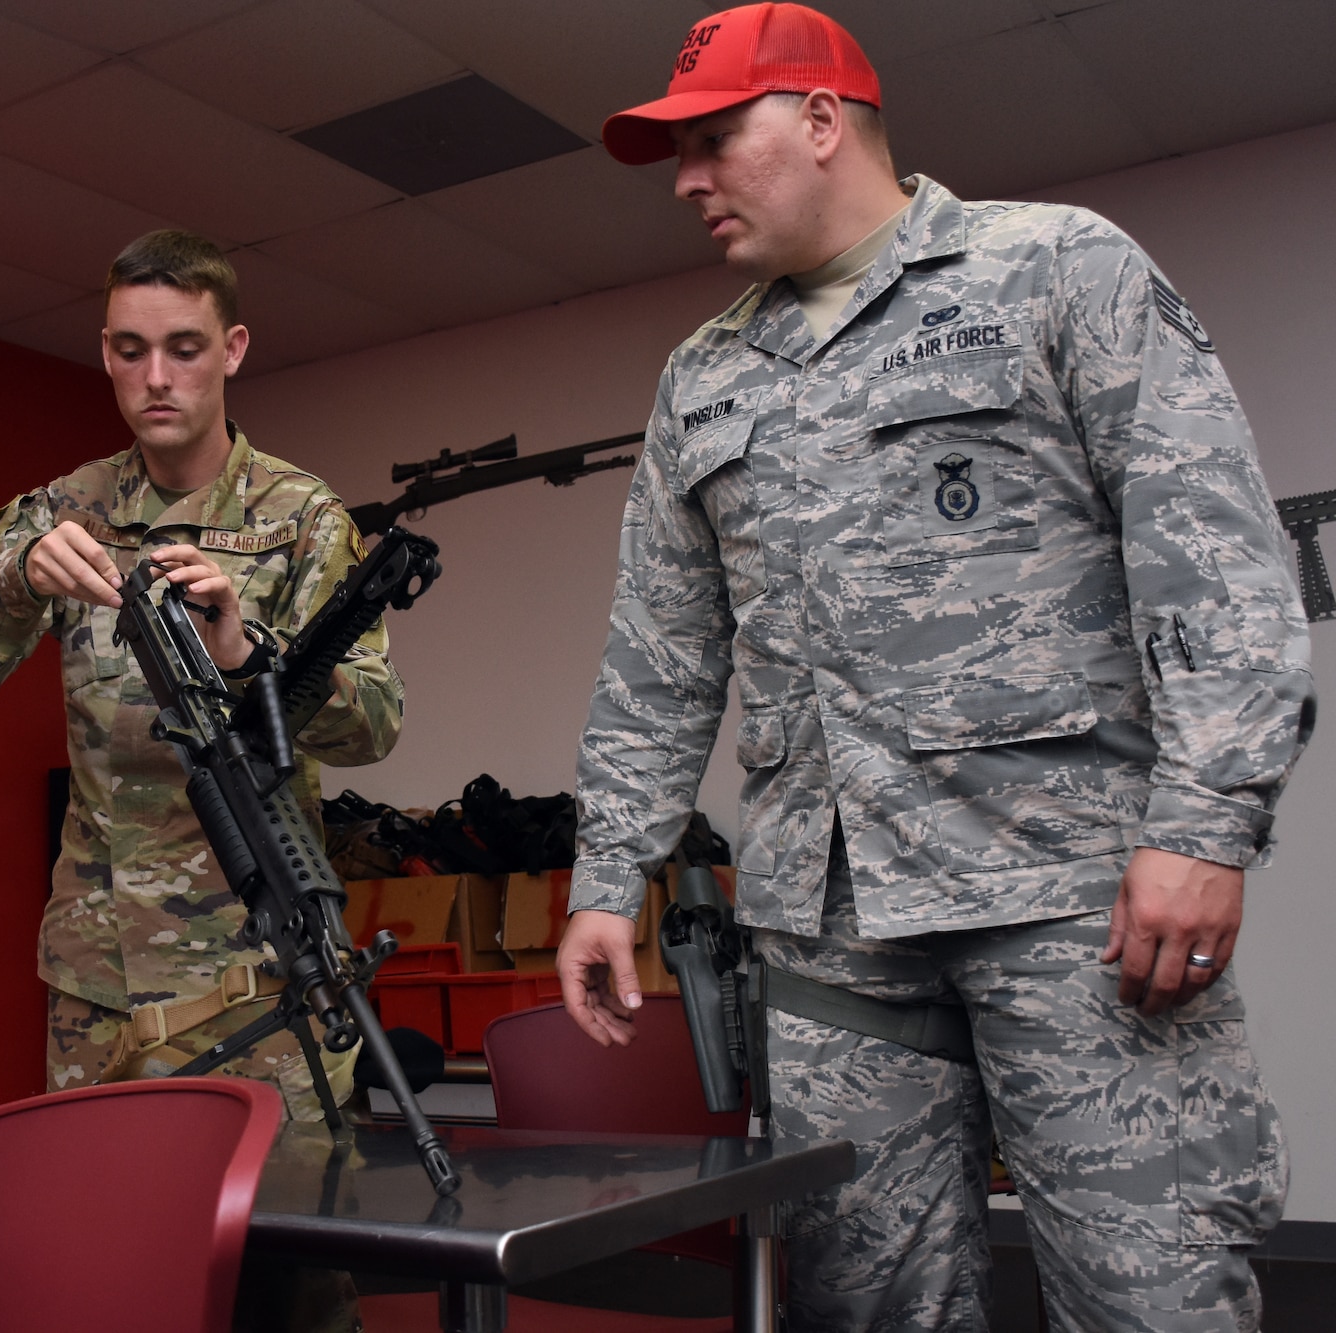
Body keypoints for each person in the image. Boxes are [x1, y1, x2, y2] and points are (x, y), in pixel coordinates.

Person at [556, 5, 1310, 1330]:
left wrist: (1205, 823)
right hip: (832, 933)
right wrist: (606, 878)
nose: (687, 182)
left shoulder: (1055, 266)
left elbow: (1207, 550)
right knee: (866, 1302)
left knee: (1155, 1292)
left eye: (713, 140)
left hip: (1072, 901)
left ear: (821, 118)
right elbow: (660, 657)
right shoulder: (704, 380)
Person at [0, 230, 402, 1109]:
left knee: (273, 1236)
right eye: (131, 350)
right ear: (106, 352)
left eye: (184, 349)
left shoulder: (305, 521)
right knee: (101, 1235)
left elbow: (373, 722)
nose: (156, 378)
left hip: (262, 970)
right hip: (98, 982)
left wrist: (246, 655)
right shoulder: (62, 510)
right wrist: (21, 579)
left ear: (232, 349)